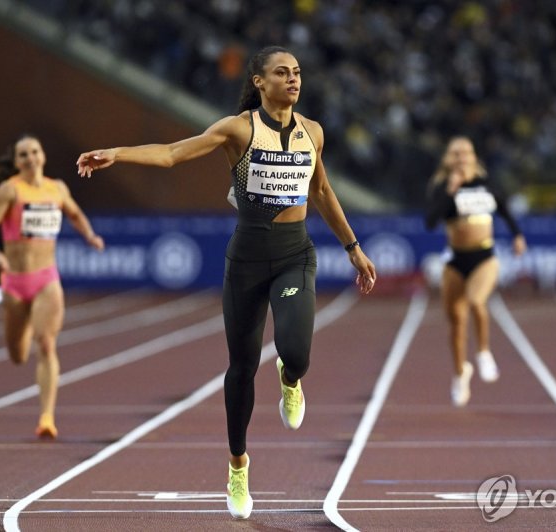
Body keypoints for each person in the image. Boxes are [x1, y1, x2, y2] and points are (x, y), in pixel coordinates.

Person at [76, 45, 377, 520]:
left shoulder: (312, 133)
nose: (293, 79)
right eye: (282, 72)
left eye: (298, 72)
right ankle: (239, 464)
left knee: (295, 352)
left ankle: (290, 378)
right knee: (241, 367)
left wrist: (353, 248)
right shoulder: (238, 128)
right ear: (260, 81)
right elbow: (174, 154)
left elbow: (320, 190)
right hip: (247, 261)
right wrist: (117, 152)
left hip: (295, 253)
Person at [0, 135, 105, 440]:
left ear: (43, 156)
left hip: (46, 278)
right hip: (14, 282)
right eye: (23, 154)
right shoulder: (10, 190)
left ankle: (47, 417)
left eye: (35, 151)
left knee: (46, 343)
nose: (30, 158)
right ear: (17, 161)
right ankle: (19, 333)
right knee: (18, 354)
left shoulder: (57, 188)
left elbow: (74, 213)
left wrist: (89, 235)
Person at [425, 136, 526, 407]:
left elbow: (504, 208)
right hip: (456, 259)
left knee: (476, 301)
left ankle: (483, 352)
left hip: (484, 256)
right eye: (456, 154)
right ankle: (460, 373)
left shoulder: (486, 183)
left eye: (466, 153)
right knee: (456, 322)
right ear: (449, 158)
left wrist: (517, 235)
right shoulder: (441, 186)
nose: (461, 158)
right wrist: (450, 190)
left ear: (472, 156)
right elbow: (431, 221)